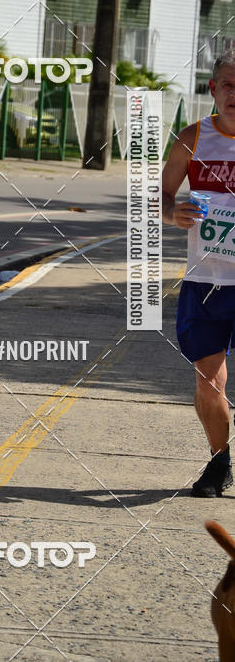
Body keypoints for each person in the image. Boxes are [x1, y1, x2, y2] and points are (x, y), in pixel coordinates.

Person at [162, 49, 235, 497]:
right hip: (206, 281)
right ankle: (219, 461)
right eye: (229, 85)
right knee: (210, 380)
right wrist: (175, 214)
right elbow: (163, 196)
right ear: (213, 89)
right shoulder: (193, 137)